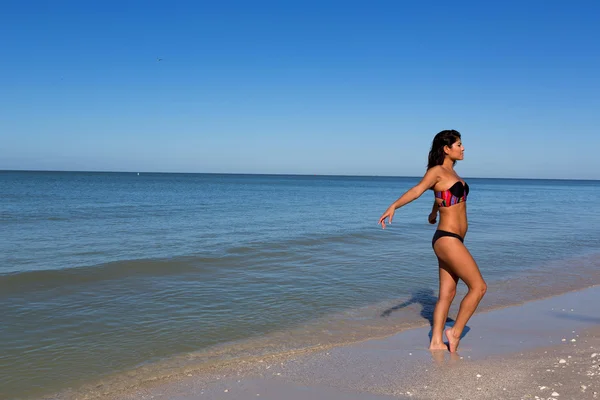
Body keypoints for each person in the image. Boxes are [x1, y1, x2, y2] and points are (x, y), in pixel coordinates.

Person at [378, 130, 486, 353]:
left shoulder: (452, 174)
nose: (463, 148)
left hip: (453, 239)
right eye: (459, 144)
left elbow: (441, 196)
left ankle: (436, 342)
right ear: (447, 149)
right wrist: (394, 206)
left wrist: (433, 212)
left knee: (447, 294)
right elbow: (418, 190)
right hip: (447, 239)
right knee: (478, 287)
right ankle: (454, 332)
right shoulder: (437, 171)